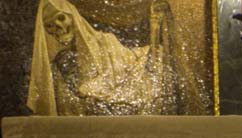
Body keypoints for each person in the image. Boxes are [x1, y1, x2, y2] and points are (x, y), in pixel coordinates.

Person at [28, 0, 182, 116]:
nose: (58, 28)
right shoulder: (58, 64)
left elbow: (132, 66)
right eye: (50, 25)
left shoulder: (105, 42)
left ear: (73, 17)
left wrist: (155, 34)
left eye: (61, 18)